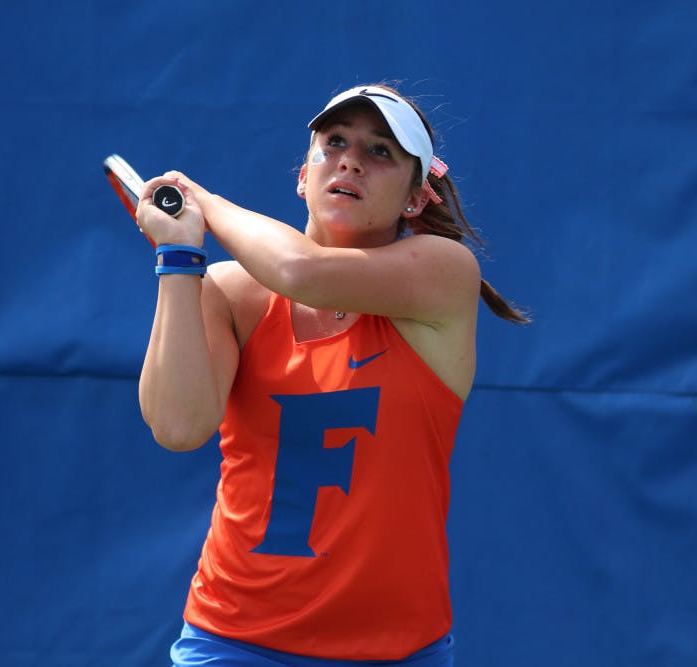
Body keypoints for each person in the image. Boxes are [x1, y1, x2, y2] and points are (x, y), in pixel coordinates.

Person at [135, 84, 528, 667]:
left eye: (380, 152)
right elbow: (178, 425)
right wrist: (179, 256)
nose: (350, 160)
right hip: (232, 642)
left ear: (416, 200)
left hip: (398, 652)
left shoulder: (447, 273)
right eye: (335, 143)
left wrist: (203, 203)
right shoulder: (228, 291)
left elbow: (301, 270)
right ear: (303, 176)